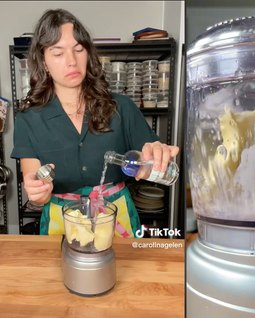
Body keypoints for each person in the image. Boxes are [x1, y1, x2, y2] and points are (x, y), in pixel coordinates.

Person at [11, 8, 179, 237]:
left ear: (88, 54)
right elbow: (34, 184)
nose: (71, 61)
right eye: (58, 53)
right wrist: (37, 191)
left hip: (115, 218)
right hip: (62, 224)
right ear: (44, 62)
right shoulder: (28, 119)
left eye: (78, 50)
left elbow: (147, 158)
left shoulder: (122, 107)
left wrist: (154, 154)